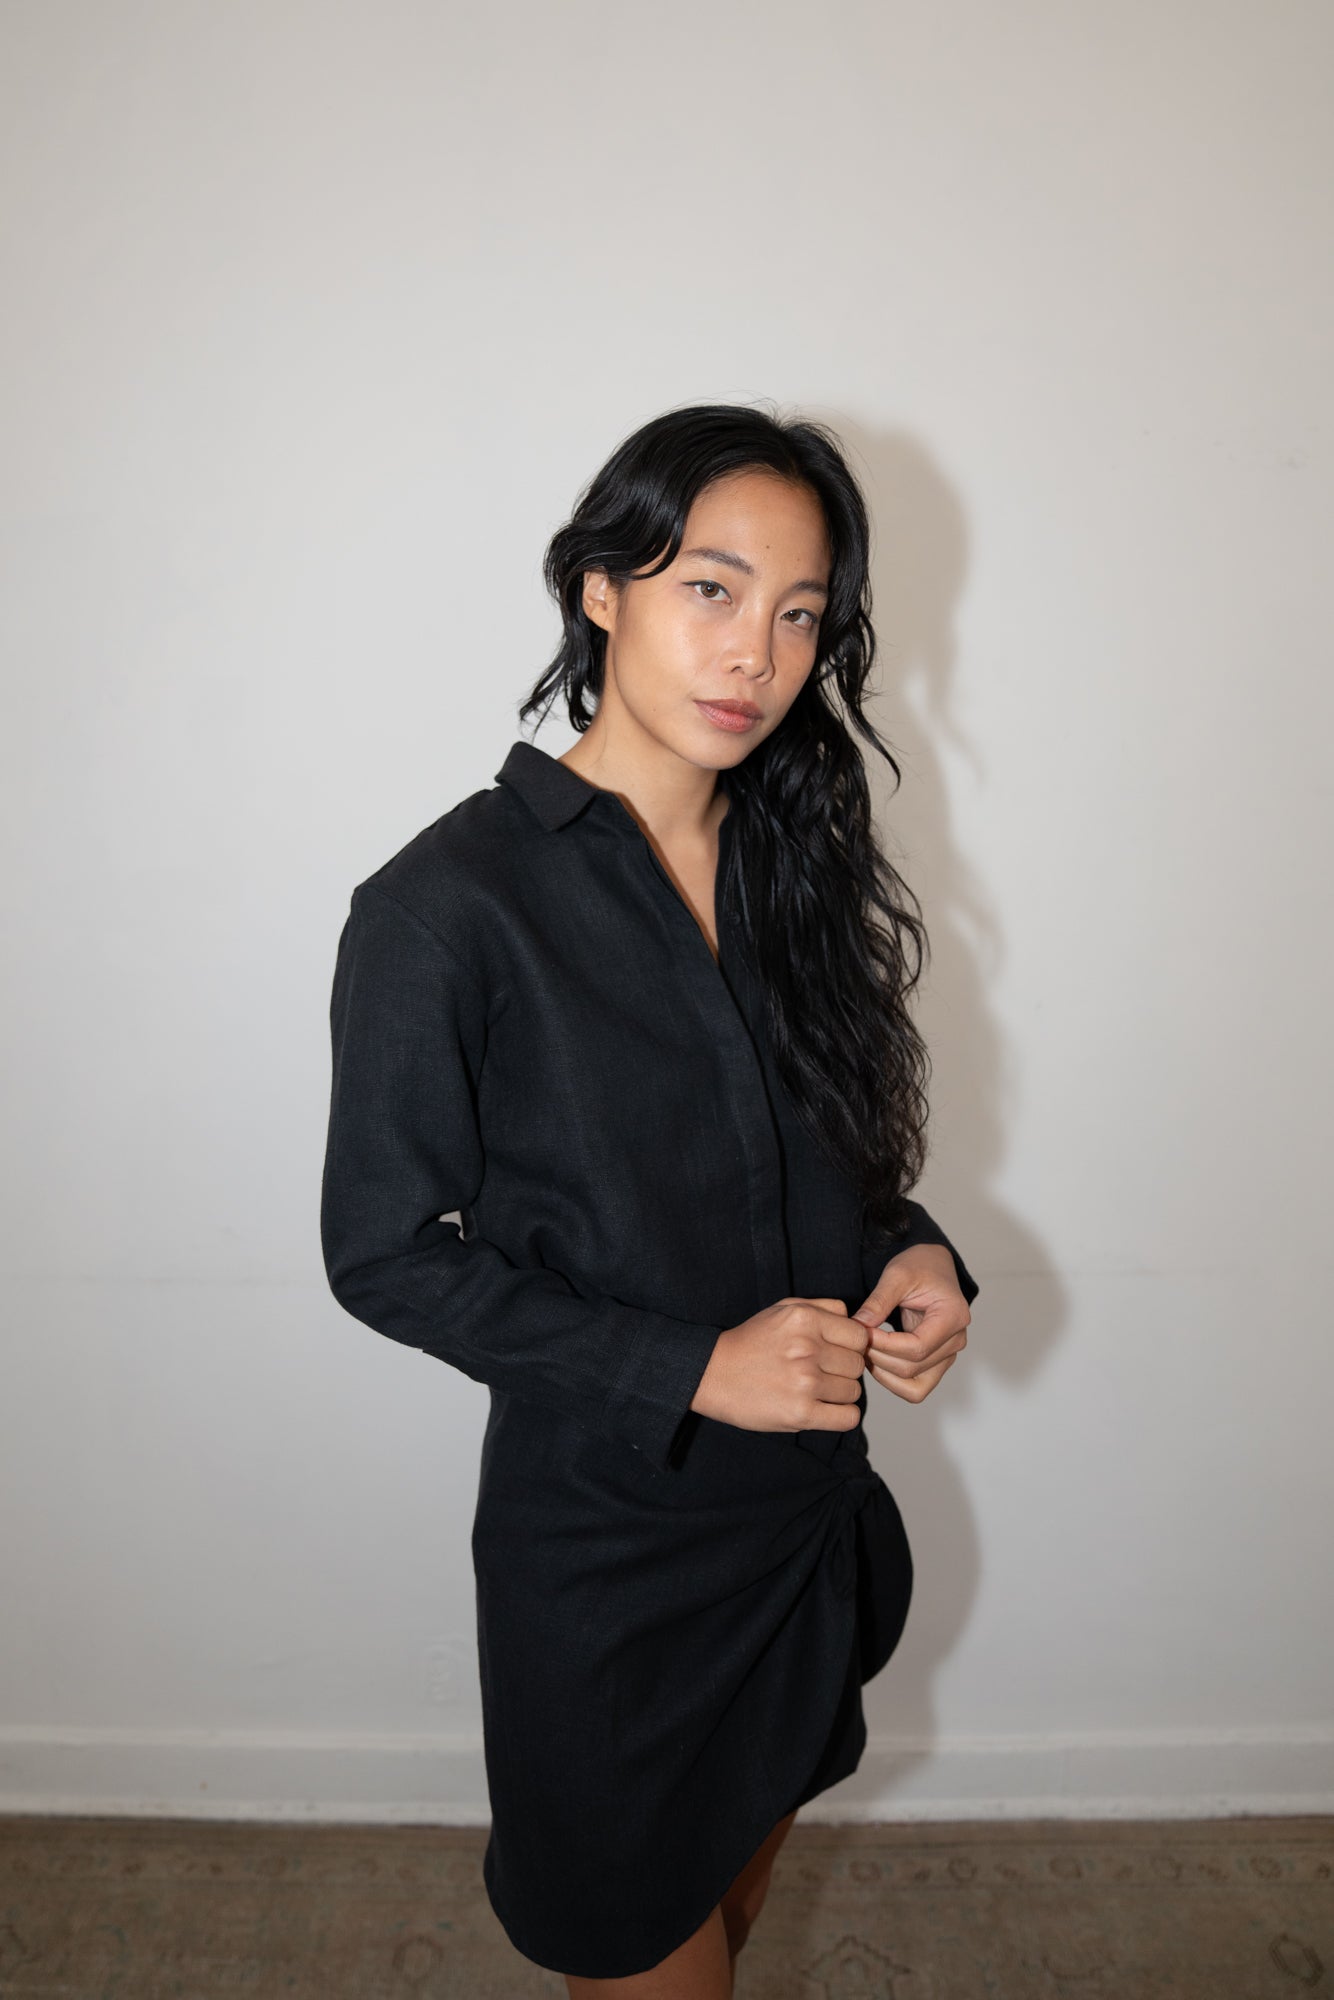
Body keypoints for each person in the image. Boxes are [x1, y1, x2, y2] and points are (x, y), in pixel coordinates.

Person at [319, 402, 979, 1997]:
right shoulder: (444, 908)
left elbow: (826, 1160)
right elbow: (385, 1256)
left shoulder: (791, 860)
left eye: (799, 613)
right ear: (600, 587)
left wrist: (910, 1251)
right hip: (608, 1561)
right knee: (639, 1947)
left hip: (796, 1530)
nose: (755, 652)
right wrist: (691, 1368)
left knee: (724, 1938)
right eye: (710, 589)